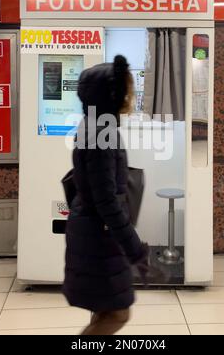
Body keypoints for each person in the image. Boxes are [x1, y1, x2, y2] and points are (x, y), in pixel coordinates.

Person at [63, 55, 149, 335]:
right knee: (117, 314)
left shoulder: (93, 125)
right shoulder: (103, 133)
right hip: (99, 238)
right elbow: (108, 203)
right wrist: (135, 249)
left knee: (104, 311)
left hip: (90, 232)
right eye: (128, 89)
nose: (131, 95)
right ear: (111, 95)